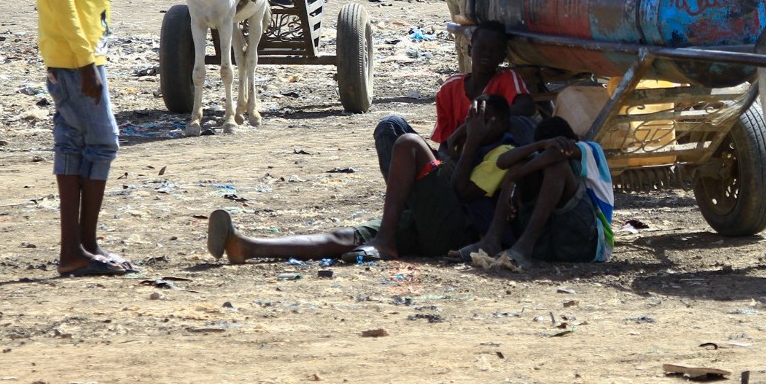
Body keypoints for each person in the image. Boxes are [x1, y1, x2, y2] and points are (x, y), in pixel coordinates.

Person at [207, 95, 519, 262]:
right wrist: (461, 137)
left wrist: (474, 141)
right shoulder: (468, 140)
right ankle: (247, 246)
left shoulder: (503, 151)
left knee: (409, 143)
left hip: (454, 233)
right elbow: (443, 165)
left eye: (487, 119)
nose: (480, 124)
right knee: (345, 237)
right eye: (475, 116)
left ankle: (385, 240)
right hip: (425, 219)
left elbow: (459, 191)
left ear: (504, 124)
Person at [31, 0, 133, 277]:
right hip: (75, 55)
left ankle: (80, 248)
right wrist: (85, 57)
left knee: (74, 144)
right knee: (104, 141)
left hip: (84, 46)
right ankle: (76, 248)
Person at [452, 117, 614, 270]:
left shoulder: (592, 149)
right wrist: (539, 146)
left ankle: (524, 247)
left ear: (574, 139)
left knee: (556, 165)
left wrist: (516, 177)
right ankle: (491, 241)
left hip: (588, 244)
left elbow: (557, 154)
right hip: (548, 244)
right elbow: (503, 162)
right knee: (519, 163)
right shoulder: (541, 152)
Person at [373, 20, 535, 166]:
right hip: (455, 163)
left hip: (490, 161)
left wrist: (472, 124)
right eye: (482, 48)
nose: (487, 54)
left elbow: (527, 107)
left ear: (502, 57)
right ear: (470, 50)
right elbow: (446, 142)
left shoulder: (506, 78)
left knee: (518, 123)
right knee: (389, 125)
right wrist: (448, 162)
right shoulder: (450, 88)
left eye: (494, 50)